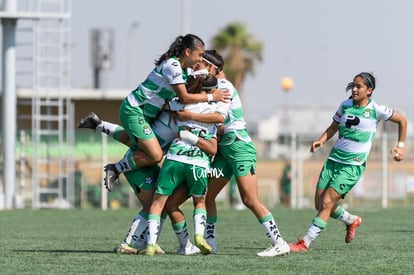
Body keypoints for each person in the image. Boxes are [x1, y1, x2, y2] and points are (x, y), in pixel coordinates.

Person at [179, 50, 290, 257]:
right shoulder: (211, 86)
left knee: (250, 200)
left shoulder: (224, 86)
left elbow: (218, 117)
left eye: (200, 64)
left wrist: (189, 115)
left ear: (212, 68)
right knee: (206, 195)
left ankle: (279, 242)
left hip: (239, 148)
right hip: (224, 150)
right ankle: (210, 244)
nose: (196, 66)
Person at [289, 72, 407, 252]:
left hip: (352, 166)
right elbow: (333, 127)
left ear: (369, 90)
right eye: (353, 85)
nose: (354, 89)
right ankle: (351, 220)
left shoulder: (376, 109)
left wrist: (400, 146)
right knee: (319, 204)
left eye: (359, 86)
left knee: (327, 202)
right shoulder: (345, 106)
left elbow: (402, 120)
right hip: (333, 160)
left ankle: (304, 243)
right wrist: (321, 140)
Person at [102, 34, 229, 192]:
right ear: (188, 52)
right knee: (155, 155)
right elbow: (184, 97)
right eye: (199, 55)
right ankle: (115, 168)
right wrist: (212, 96)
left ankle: (99, 125)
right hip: (134, 110)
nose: (200, 59)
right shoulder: (173, 65)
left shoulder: (183, 71)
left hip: (145, 115)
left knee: (137, 144)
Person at [145, 74, 221, 256]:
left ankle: (150, 245)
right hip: (198, 164)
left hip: (175, 158)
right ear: (212, 90)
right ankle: (199, 236)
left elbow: (165, 104)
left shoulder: (181, 104)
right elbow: (213, 149)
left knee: (158, 203)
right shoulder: (215, 113)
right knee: (200, 202)